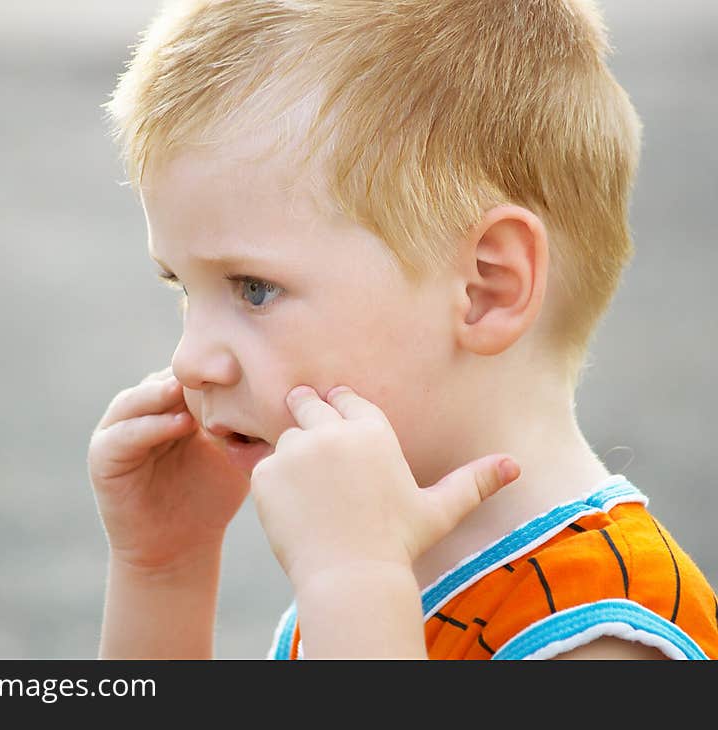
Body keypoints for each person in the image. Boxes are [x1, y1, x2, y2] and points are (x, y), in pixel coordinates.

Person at [87, 0, 718, 659]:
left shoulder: (607, 629)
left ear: (484, 289)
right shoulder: (364, 570)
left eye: (255, 289)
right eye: (182, 288)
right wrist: (165, 568)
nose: (191, 362)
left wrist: (353, 583)